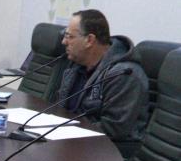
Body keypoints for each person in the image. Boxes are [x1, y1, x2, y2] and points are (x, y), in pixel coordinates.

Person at [56, 9, 148, 142]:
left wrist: (65, 131)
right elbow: (60, 107)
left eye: (70, 36)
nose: (64, 42)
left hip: (108, 151)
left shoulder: (125, 74)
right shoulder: (75, 66)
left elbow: (113, 129)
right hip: (71, 141)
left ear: (89, 40)